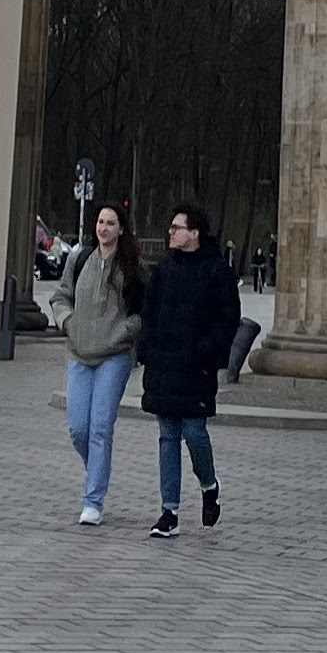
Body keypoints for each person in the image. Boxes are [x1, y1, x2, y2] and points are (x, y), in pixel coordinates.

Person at [135, 201, 239, 540]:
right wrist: (147, 350)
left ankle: (209, 485)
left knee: (194, 433)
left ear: (194, 233)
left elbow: (227, 320)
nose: (170, 232)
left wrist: (206, 353)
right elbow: (148, 314)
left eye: (176, 227)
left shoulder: (217, 271)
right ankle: (170, 512)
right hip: (164, 366)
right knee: (167, 437)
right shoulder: (164, 270)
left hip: (196, 368)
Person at [59, 201, 144, 526]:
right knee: (78, 429)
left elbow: (142, 311)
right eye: (100, 222)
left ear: (121, 228)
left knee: (100, 429)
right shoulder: (79, 259)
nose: (103, 228)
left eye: (110, 223)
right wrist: (67, 322)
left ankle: (93, 500)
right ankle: (98, 467)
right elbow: (61, 296)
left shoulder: (132, 265)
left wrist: (125, 331)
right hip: (80, 353)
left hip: (115, 356)